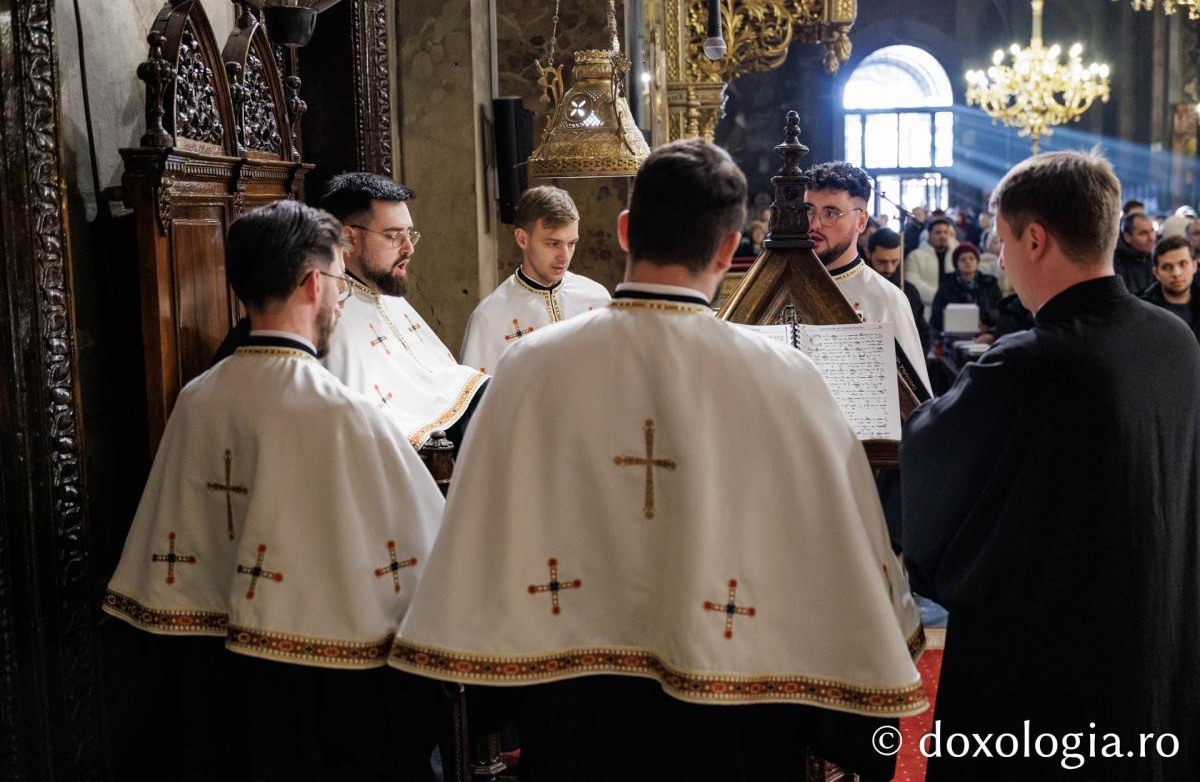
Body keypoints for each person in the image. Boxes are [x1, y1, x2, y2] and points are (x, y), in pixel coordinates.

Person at [391, 139, 927, 781]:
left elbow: (479, 538)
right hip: (735, 712)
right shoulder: (786, 378)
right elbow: (841, 552)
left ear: (624, 231)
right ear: (730, 250)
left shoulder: (530, 367)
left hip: (575, 715)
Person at [102, 201, 448, 779]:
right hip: (322, 699)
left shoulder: (197, 399)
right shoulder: (345, 414)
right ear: (314, 283)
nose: (340, 297)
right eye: (338, 280)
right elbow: (432, 556)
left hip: (216, 694)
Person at [902, 150, 1200, 780]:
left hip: (1048, 673)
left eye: (1002, 240)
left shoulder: (1024, 365)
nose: (999, 256)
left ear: (1034, 239)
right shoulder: (1176, 341)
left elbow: (932, 466)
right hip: (1152, 634)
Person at [319, 172, 489, 452]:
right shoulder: (333, 316)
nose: (409, 248)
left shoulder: (384, 292)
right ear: (349, 238)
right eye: (394, 237)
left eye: (409, 234)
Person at [804, 162, 932, 396]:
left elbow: (915, 401)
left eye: (830, 213)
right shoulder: (786, 283)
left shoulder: (887, 300)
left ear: (861, 221)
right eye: (809, 210)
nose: (814, 224)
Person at [460, 186, 610, 373]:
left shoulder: (598, 298)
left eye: (571, 243)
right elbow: (480, 390)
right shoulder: (489, 318)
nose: (564, 256)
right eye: (553, 243)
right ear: (522, 239)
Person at [866, 227, 929, 353]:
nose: (889, 269)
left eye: (894, 261)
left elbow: (922, 334)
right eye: (882, 262)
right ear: (868, 254)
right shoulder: (859, 289)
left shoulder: (909, 291)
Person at [930, 243, 1002, 337]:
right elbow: (936, 317)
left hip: (985, 334)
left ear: (977, 262)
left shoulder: (989, 284)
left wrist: (986, 318)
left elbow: (1000, 311)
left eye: (971, 258)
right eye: (963, 259)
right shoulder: (946, 286)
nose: (968, 262)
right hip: (954, 336)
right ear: (956, 264)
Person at [1141, 235, 1200, 339]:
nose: (1176, 273)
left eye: (1183, 264)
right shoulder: (1142, 310)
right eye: (1167, 267)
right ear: (1156, 273)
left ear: (1194, 266)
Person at [905, 216, 959, 319]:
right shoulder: (915, 256)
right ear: (929, 235)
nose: (943, 236)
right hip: (926, 312)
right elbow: (913, 285)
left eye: (945, 232)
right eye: (938, 232)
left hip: (955, 311)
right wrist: (942, 296)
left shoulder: (957, 255)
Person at [1113, 211, 1156, 295]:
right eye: (1143, 233)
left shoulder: (1154, 258)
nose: (1151, 238)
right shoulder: (1115, 264)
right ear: (1127, 237)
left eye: (1152, 231)